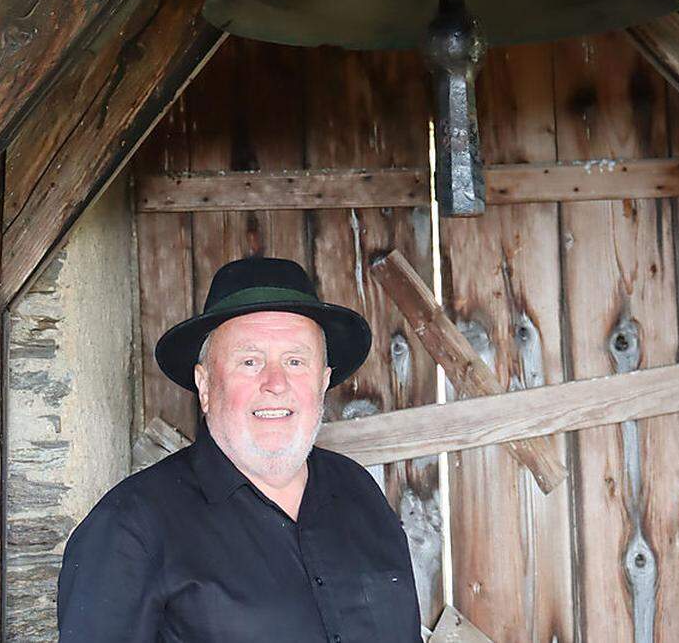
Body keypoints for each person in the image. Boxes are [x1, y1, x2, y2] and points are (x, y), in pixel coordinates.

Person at [57, 257, 422, 642]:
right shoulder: (130, 527)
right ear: (205, 385)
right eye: (250, 362)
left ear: (323, 381)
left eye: (296, 361)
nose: (276, 383)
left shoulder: (359, 492)